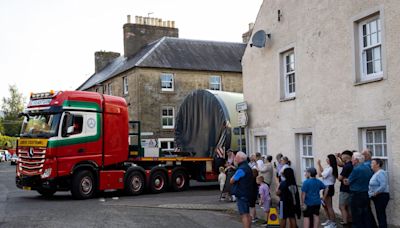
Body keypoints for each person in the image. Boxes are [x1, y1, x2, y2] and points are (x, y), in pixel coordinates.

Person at [344, 152, 375, 228]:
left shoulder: (356, 169)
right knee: (366, 214)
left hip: (356, 195)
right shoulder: (367, 168)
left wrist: (345, 180)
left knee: (357, 216)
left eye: (352, 159)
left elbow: (348, 182)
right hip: (366, 193)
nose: (351, 161)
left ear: (356, 160)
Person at [230, 151, 253, 228]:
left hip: (242, 194)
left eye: (236, 157)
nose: (235, 159)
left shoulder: (241, 169)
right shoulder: (248, 167)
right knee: (248, 214)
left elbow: (232, 180)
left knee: (244, 215)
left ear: (241, 158)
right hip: (248, 193)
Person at [317, 154, 338, 227]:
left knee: (329, 206)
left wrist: (318, 166)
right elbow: (322, 172)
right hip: (326, 187)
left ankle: (333, 223)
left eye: (327, 158)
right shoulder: (328, 167)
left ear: (330, 160)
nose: (326, 160)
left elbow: (320, 174)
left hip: (328, 187)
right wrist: (319, 164)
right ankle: (329, 220)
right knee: (325, 205)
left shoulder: (330, 169)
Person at [369, 158, 390, 228]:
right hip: (377, 196)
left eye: (372, 163)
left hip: (381, 196)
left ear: (377, 164)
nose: (370, 164)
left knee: (381, 215)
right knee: (379, 214)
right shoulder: (375, 173)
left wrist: (376, 192)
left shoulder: (381, 172)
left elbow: (383, 185)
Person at [336, 150, 353, 225]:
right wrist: (338, 157)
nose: (341, 157)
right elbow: (340, 164)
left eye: (342, 155)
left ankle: (345, 222)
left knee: (342, 206)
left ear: (346, 156)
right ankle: (350, 221)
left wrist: (335, 175)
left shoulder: (346, 166)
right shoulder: (351, 164)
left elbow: (340, 178)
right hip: (350, 189)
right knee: (348, 206)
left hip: (345, 189)